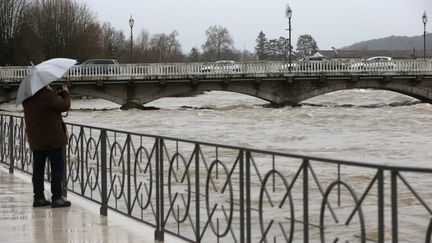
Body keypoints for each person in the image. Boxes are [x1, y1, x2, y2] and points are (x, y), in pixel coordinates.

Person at [22, 84, 72, 208]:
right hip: (52, 140)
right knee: (57, 169)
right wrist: (65, 93)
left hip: (36, 140)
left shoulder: (27, 98)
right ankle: (57, 198)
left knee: (38, 170)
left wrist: (56, 95)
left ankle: (38, 198)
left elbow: (46, 108)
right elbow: (64, 106)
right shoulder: (47, 95)